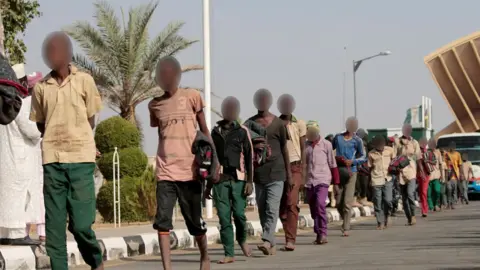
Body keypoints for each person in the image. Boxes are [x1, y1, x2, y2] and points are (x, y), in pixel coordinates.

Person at [29, 32, 104, 269]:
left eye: (59, 49)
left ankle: (95, 260)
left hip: (81, 159)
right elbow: (41, 123)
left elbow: (90, 119)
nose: (54, 54)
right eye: (50, 51)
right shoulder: (41, 88)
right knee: (54, 231)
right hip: (52, 161)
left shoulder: (84, 81)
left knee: (82, 225)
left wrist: (77, 136)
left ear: (68, 52)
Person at [148, 56, 213, 270]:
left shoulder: (192, 97)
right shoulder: (155, 105)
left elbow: (204, 130)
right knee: (163, 222)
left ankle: (204, 256)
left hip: (190, 171)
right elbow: (162, 133)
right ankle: (168, 268)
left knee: (195, 222)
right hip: (165, 172)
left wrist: (216, 162)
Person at [207, 96, 253, 264]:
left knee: (240, 215)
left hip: (239, 180)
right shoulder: (215, 132)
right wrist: (208, 186)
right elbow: (210, 160)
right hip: (220, 181)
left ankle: (242, 239)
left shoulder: (242, 131)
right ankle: (229, 253)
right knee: (224, 218)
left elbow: (249, 157)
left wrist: (249, 181)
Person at [0, 63, 41, 246]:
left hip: (5, 160)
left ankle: (5, 234)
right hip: (20, 159)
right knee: (19, 196)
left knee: (6, 196)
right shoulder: (19, 103)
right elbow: (33, 131)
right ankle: (17, 234)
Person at [246, 88, 290, 255]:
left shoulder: (278, 124)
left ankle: (266, 239)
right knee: (263, 208)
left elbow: (285, 149)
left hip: (277, 172)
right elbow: (245, 149)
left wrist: (289, 175)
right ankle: (270, 243)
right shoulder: (249, 124)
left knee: (272, 208)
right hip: (258, 174)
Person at [278, 94, 307, 251]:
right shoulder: (276, 123)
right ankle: (286, 227)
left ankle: (290, 239)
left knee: (291, 202)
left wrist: (303, 172)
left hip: (295, 166)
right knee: (281, 206)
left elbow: (303, 148)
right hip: (279, 167)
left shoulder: (299, 123)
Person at [304, 120, 339, 244]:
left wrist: (336, 182)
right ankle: (318, 232)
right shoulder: (305, 145)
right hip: (309, 181)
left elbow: (332, 163)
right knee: (314, 209)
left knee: (320, 204)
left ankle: (323, 233)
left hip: (323, 179)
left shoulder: (326, 144)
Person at [332, 116, 366, 236]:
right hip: (339, 172)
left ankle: (346, 227)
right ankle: (345, 218)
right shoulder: (338, 138)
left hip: (352, 172)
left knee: (347, 202)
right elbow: (330, 151)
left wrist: (353, 162)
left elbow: (363, 157)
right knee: (338, 202)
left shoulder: (357, 140)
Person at [394, 123, 421, 226]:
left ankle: (413, 215)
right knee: (404, 197)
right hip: (401, 172)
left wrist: (420, 172)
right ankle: (409, 217)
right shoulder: (397, 142)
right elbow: (394, 156)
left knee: (410, 194)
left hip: (411, 171)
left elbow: (418, 158)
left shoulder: (414, 142)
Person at [368, 135, 395, 229]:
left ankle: (388, 215)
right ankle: (380, 222)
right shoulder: (371, 154)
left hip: (388, 178)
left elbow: (395, 161)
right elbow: (369, 167)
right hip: (376, 179)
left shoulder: (390, 150)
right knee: (378, 202)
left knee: (388, 200)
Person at [355, 128, 373, 207]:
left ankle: (363, 199)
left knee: (364, 183)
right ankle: (355, 199)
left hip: (364, 167)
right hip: (355, 165)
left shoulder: (367, 144)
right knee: (356, 184)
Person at [426, 138, 444, 212]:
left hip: (436, 175)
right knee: (429, 193)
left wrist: (442, 175)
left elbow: (440, 164)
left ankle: (436, 204)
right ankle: (431, 206)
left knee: (437, 191)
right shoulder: (426, 152)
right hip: (428, 175)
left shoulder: (438, 152)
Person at [444, 141, 462, 209]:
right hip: (448, 175)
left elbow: (460, 165)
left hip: (455, 175)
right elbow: (444, 164)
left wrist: (461, 174)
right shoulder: (446, 154)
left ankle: (452, 203)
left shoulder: (458, 154)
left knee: (454, 191)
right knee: (449, 189)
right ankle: (449, 203)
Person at [417, 137, 430, 217]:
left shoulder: (427, 152)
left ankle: (424, 210)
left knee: (423, 192)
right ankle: (423, 208)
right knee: (421, 192)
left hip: (425, 174)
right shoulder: (416, 152)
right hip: (417, 175)